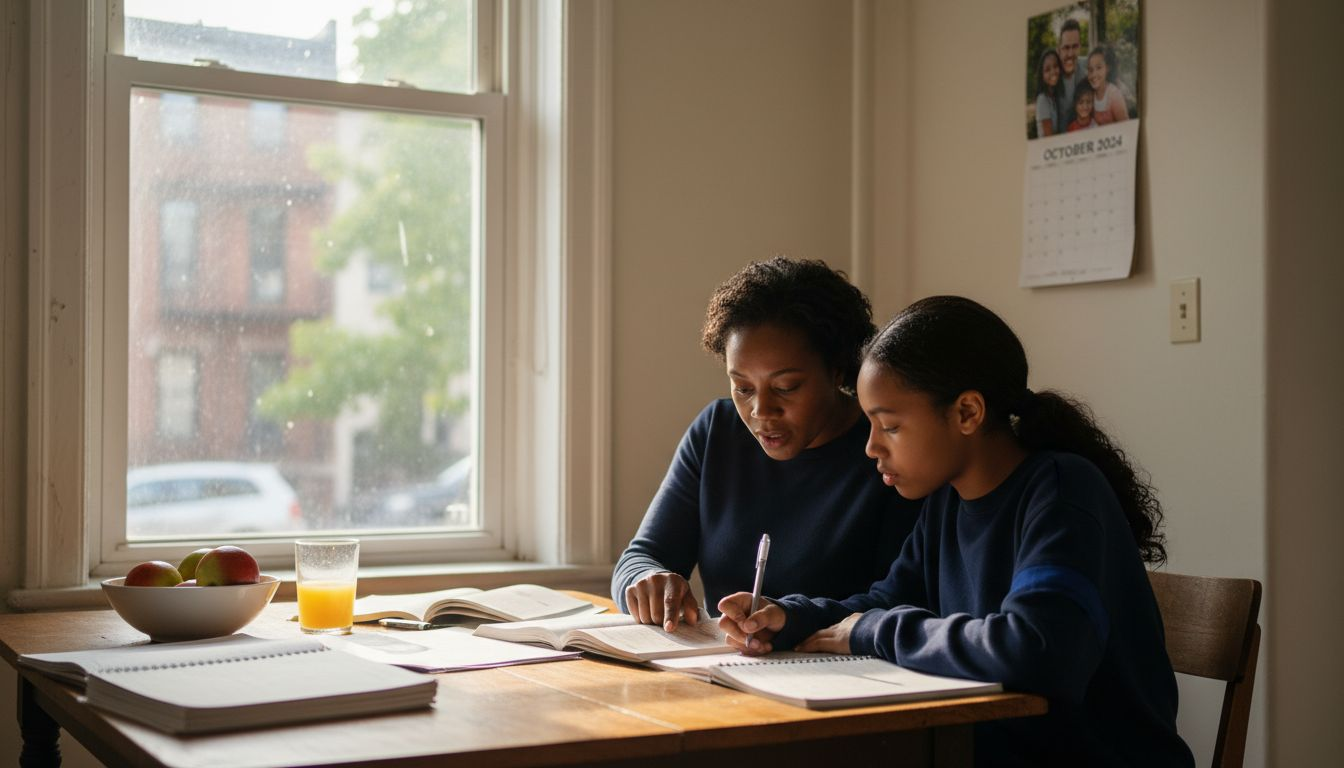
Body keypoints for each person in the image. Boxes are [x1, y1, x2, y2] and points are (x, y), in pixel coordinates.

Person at [718, 296, 1194, 766]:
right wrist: (789, 617)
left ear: (967, 412)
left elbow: (1037, 650)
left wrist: (874, 632)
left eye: (890, 426)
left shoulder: (1061, 492)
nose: (870, 448)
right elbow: (884, 601)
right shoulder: (948, 502)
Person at [611, 257, 920, 631]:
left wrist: (790, 618)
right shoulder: (717, 432)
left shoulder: (886, 451)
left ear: (837, 369)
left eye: (786, 387)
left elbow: (902, 598)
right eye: (742, 387)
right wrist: (645, 580)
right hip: (726, 671)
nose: (761, 411)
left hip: (841, 677)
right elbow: (642, 556)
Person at [1055, 18, 1089, 129]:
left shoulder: (1088, 65)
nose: (1070, 54)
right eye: (1066, 47)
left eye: (1075, 47)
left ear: (1080, 47)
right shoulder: (1052, 76)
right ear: (1059, 49)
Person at [1086, 45, 1130, 125]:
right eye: (1090, 70)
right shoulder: (1090, 94)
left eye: (1099, 68)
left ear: (1107, 68)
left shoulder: (1114, 95)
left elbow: (1126, 127)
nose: (1094, 74)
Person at [1033, 49, 1064, 137]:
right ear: (1042, 75)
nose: (1053, 72)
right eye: (1047, 70)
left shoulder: (1053, 96)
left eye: (1055, 66)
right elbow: (1049, 138)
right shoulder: (1043, 99)